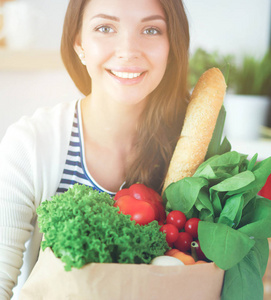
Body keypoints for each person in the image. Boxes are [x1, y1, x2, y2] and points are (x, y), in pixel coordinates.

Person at [0, 0, 190, 298]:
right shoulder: (30, 144)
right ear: (79, 44)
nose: (129, 50)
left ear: (172, 46)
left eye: (151, 30)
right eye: (105, 28)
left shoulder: (192, 148)